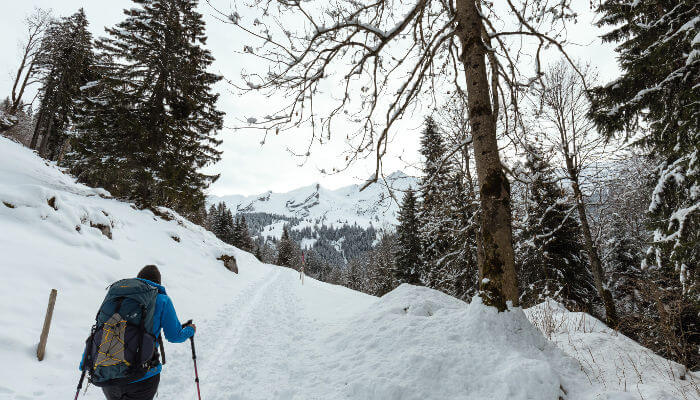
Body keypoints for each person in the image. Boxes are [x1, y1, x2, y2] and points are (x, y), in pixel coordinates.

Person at [85, 265, 196, 400]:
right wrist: (190, 330)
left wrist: (86, 364)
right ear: (157, 283)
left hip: (108, 375)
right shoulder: (161, 299)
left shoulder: (117, 296)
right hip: (143, 375)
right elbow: (175, 336)